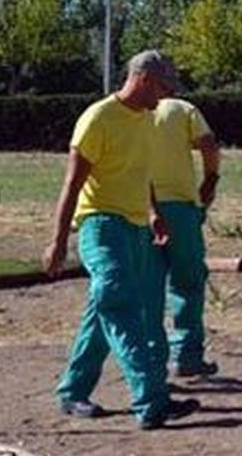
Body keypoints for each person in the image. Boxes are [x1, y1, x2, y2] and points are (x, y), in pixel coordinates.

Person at [46, 50, 199, 430]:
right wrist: (58, 241)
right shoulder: (98, 119)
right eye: (163, 87)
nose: (166, 96)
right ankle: (152, 400)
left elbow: (141, 173)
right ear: (143, 79)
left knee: (104, 310)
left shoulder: (146, 119)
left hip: (136, 227)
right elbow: (72, 184)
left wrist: (153, 213)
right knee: (122, 304)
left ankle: (73, 390)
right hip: (101, 225)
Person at [146, 96, 222, 379]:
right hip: (180, 206)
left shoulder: (130, 111)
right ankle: (186, 355)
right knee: (187, 283)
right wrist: (210, 180)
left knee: (148, 286)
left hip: (138, 206)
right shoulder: (181, 109)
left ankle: (151, 361)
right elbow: (209, 144)